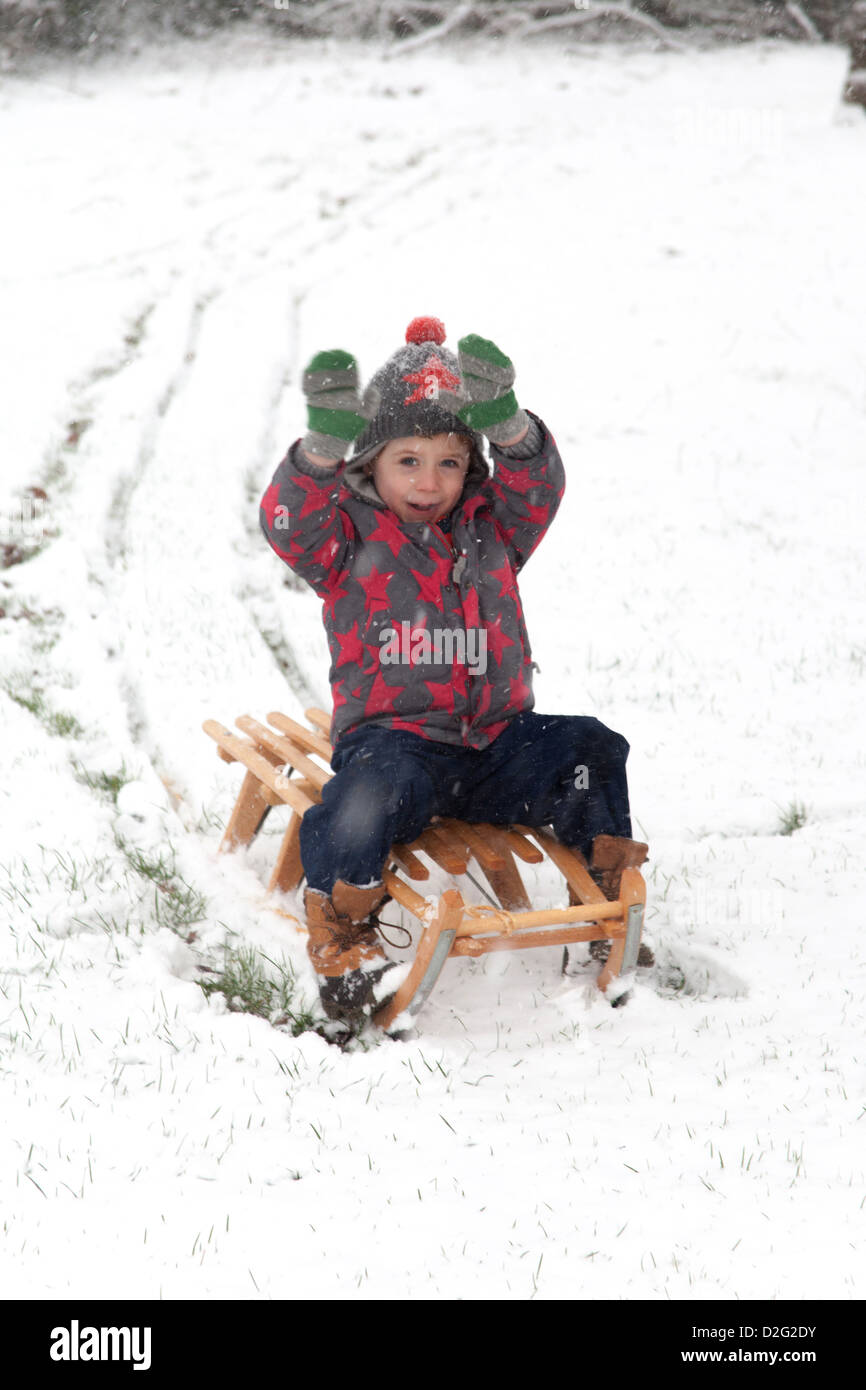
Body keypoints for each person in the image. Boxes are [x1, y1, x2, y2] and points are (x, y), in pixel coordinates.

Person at [260, 317, 647, 1022]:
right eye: (407, 460)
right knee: (360, 802)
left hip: (499, 741)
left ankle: (604, 891)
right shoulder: (344, 538)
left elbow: (538, 486)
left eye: (450, 461)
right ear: (368, 463)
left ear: (471, 466)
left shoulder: (494, 524)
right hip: (395, 743)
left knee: (591, 748)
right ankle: (342, 930)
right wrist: (318, 449)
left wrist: (508, 427)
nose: (429, 481)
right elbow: (290, 521)